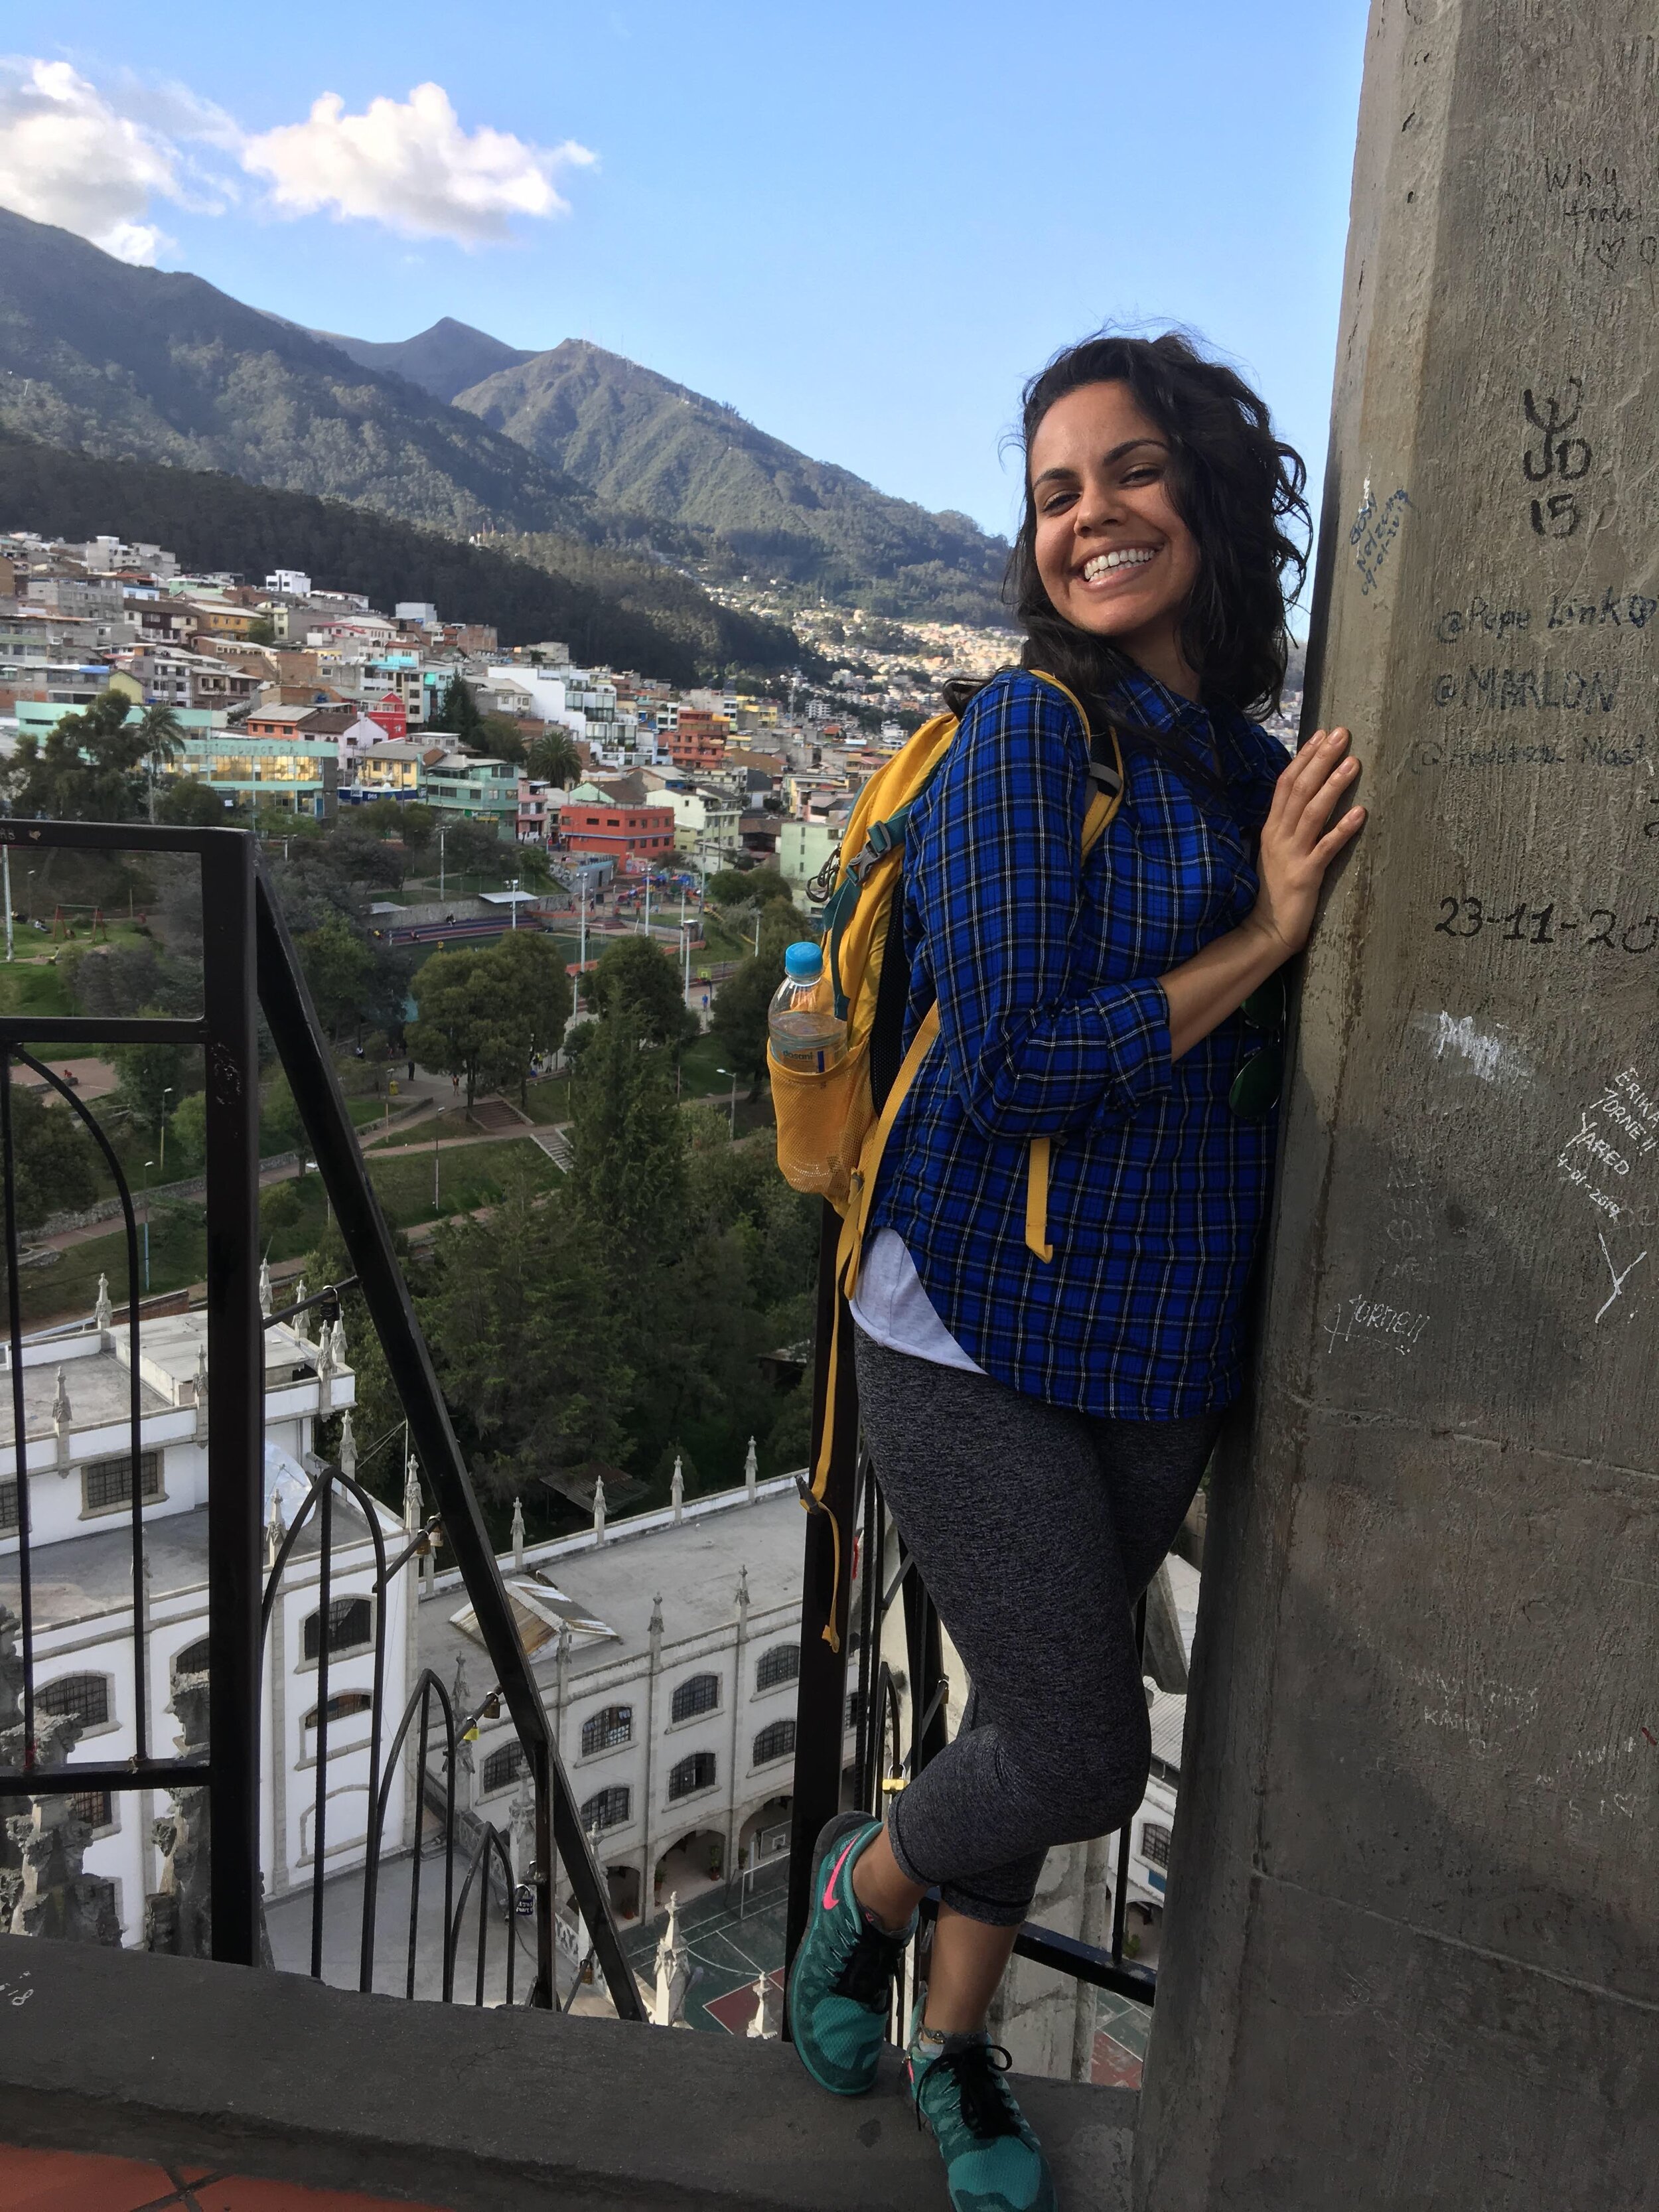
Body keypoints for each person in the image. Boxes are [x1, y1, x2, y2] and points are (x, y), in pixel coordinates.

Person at [786, 332, 1366, 2212]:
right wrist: (1266, 935)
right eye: (1054, 491)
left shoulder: (1245, 762)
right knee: (1079, 1744)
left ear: (1207, 490)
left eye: (1129, 470)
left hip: (1161, 1327)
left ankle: (955, 2049)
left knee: (1024, 1724)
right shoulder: (1030, 736)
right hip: (968, 1318)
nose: (1089, 516)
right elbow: (1020, 1063)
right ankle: (865, 1884)